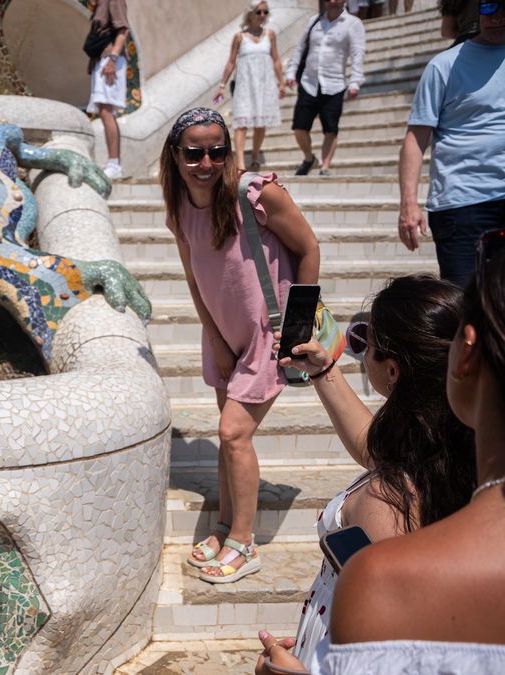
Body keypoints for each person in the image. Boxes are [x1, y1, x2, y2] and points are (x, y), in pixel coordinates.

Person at [254, 229, 505, 674]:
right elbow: (376, 447)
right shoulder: (439, 454)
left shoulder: (388, 514)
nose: (358, 347)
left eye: (365, 338)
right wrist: (325, 371)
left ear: (467, 354)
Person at [160, 107, 321, 584]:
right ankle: (227, 526)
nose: (206, 162)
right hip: (226, 336)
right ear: (176, 154)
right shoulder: (179, 208)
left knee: (233, 434)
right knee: (229, 437)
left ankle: (244, 544)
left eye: (217, 151)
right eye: (194, 152)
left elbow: (309, 248)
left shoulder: (255, 193)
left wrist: (296, 329)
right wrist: (214, 338)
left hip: (271, 333)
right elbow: (195, 279)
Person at [397, 1, 504, 287]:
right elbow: (416, 138)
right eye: (489, 8)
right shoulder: (444, 65)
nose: (497, 18)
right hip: (462, 204)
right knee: (465, 307)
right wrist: (409, 204)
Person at [284, 0, 365, 176]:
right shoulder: (314, 21)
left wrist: (355, 81)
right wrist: (291, 72)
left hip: (334, 84)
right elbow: (300, 48)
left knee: (330, 129)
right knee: (299, 127)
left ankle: (325, 166)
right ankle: (308, 158)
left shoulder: (353, 24)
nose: (332, 2)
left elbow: (357, 53)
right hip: (309, 82)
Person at [216, 0, 285, 171]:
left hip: (264, 85)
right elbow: (231, 63)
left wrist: (282, 83)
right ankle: (240, 163)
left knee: (260, 123)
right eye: (259, 11)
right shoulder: (239, 37)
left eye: (265, 12)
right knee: (241, 123)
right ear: (250, 13)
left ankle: (254, 155)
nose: (262, 15)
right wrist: (222, 85)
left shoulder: (270, 35)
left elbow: (276, 60)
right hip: (245, 86)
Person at [86, 0, 131, 180]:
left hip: (110, 61)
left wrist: (112, 59)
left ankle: (114, 164)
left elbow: (123, 30)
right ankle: (113, 163)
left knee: (106, 111)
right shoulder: (98, 4)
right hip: (102, 61)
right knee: (104, 111)